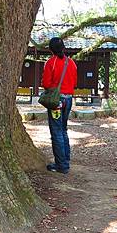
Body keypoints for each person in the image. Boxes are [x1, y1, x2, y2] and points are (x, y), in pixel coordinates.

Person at [41, 37, 77, 174]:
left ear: (51, 49)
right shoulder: (71, 63)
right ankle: (65, 160)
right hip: (68, 99)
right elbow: (74, 82)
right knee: (63, 130)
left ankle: (61, 165)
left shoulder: (51, 63)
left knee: (56, 132)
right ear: (63, 47)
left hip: (56, 101)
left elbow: (46, 83)